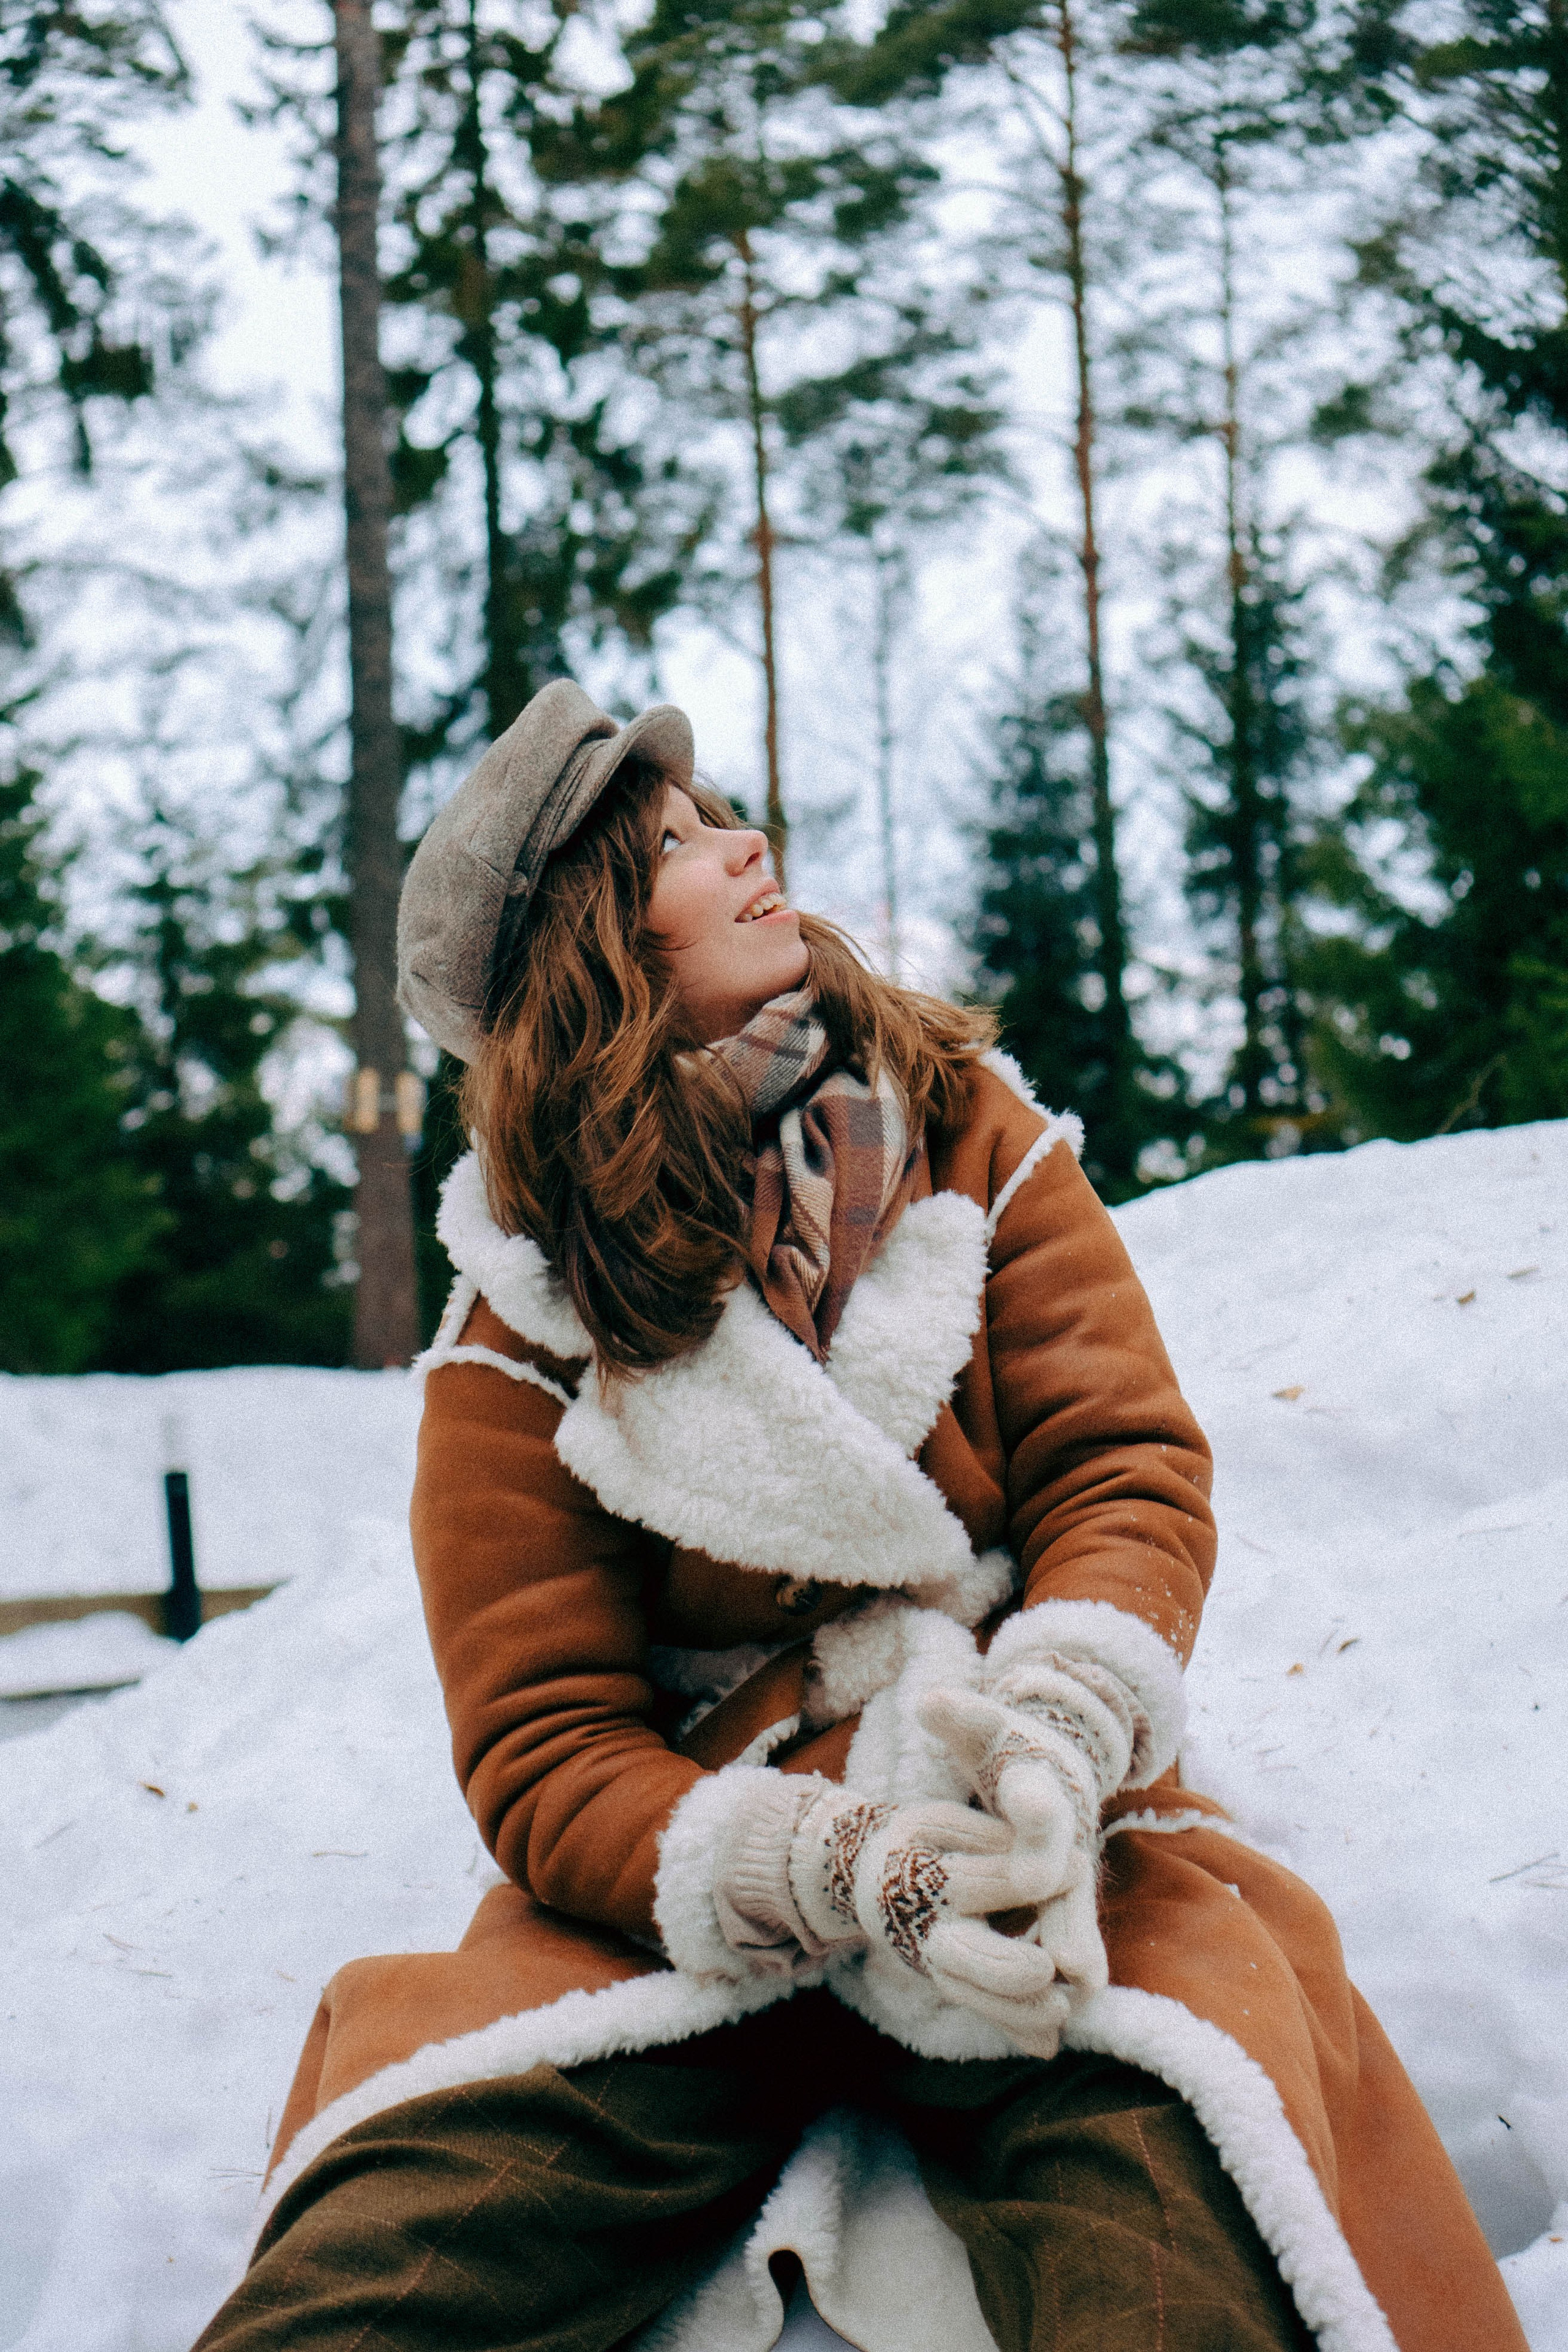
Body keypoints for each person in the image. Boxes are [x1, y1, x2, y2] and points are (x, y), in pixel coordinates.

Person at [194, 681, 1525, 2352]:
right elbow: (544, 1743)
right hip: (691, 1888)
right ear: (592, 952)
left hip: (1025, 1828)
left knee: (1177, 2220)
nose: (747, 845)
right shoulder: (518, 1320)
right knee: (391, 2262)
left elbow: (1120, 1468)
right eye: (674, 847)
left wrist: (1057, 1725)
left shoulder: (972, 1130)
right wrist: (814, 1863)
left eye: (720, 815)